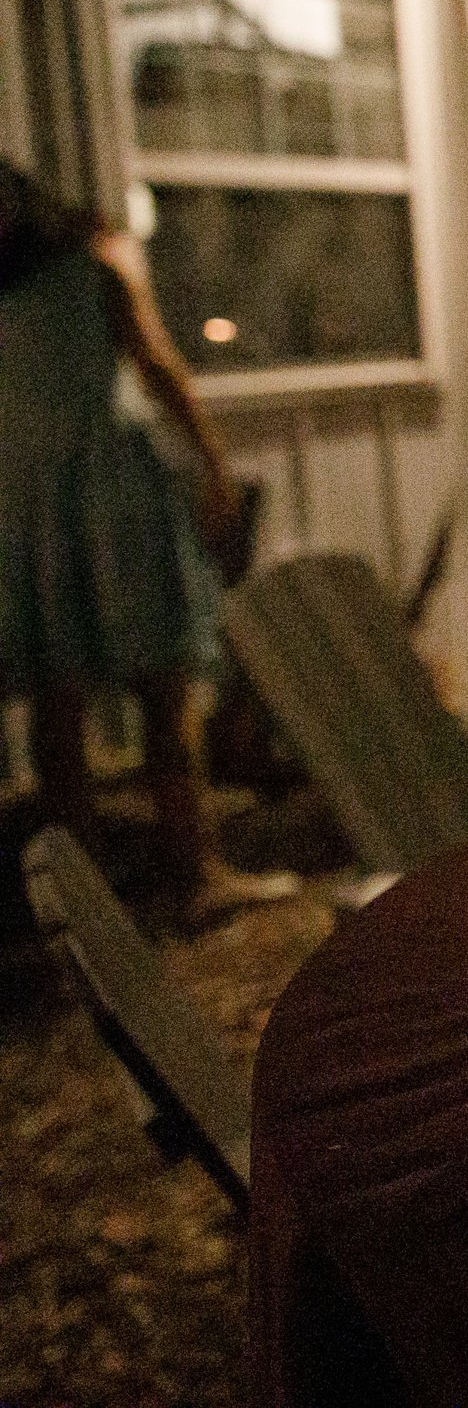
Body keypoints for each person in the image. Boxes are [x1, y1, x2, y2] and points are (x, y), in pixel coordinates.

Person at [0, 163, 298, 915]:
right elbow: (158, 365)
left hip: (29, 502)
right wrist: (212, 461)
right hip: (109, 491)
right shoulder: (95, 268)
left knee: (58, 695)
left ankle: (87, 890)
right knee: (161, 682)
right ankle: (193, 871)